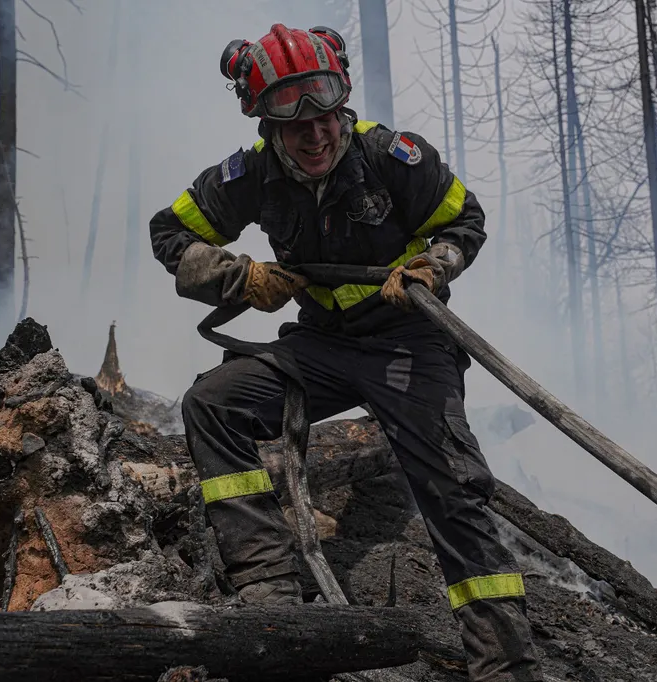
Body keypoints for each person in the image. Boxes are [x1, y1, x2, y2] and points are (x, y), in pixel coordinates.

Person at [148, 23, 543, 681]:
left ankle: (505, 666)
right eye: (293, 119)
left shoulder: (394, 157)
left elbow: (462, 220)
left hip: (409, 342)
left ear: (343, 105)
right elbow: (171, 232)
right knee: (213, 404)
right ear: (265, 124)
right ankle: (272, 605)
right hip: (323, 343)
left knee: (452, 489)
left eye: (326, 113)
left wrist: (428, 265)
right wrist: (237, 277)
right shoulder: (248, 176)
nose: (315, 134)